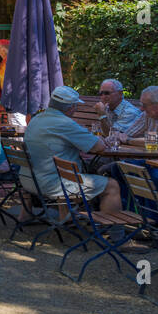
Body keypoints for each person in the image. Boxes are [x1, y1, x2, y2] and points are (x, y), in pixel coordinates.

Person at [23, 86, 126, 217]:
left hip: (30, 180)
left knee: (71, 167)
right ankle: (114, 234)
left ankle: (68, 217)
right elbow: (99, 147)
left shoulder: (36, 119)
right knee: (111, 185)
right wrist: (96, 138)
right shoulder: (64, 123)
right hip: (53, 184)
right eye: (75, 106)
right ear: (70, 107)